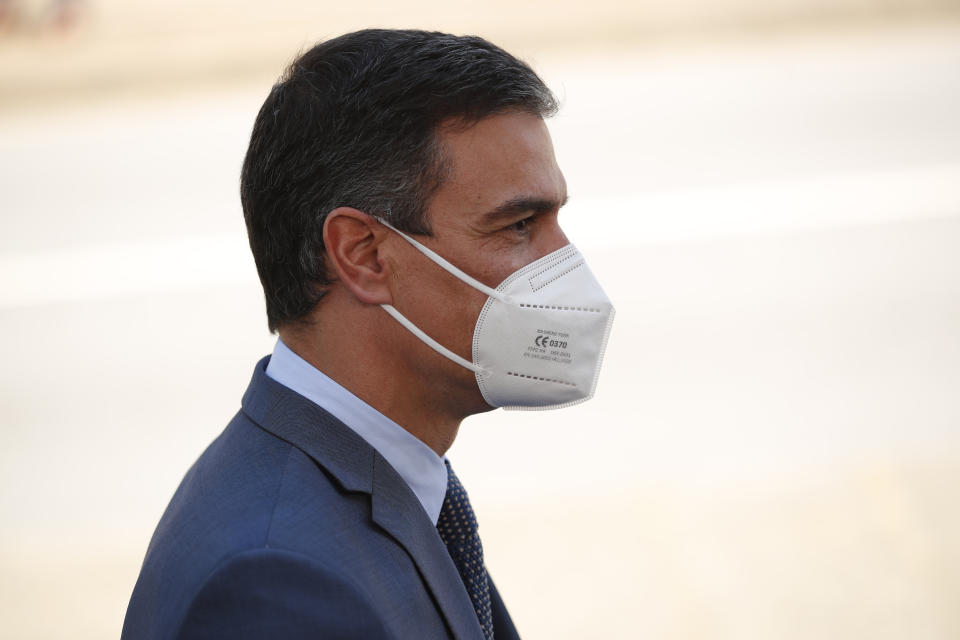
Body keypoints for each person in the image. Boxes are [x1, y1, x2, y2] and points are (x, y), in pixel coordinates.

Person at [122, 29, 614, 639]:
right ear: (364, 255)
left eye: (554, 222)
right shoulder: (275, 585)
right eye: (518, 226)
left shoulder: (387, 480)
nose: (563, 264)